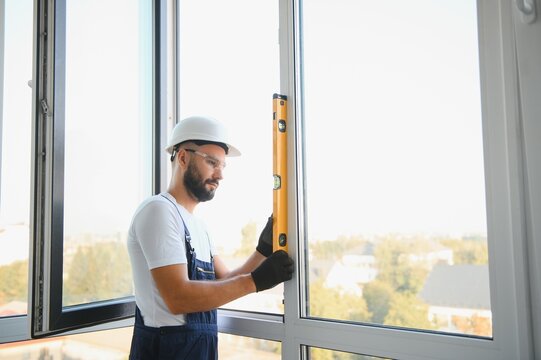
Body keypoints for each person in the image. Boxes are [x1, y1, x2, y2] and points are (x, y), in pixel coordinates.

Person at [127, 115, 294, 360]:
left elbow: (225, 280)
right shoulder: (159, 211)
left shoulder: (199, 227)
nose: (220, 175)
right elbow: (178, 297)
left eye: (223, 166)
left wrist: (263, 250)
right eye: (211, 162)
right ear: (183, 157)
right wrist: (256, 281)